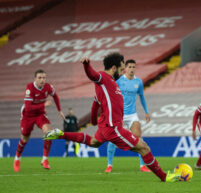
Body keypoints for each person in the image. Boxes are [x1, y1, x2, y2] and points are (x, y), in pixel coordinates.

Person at [44, 53, 180, 182]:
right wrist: (86, 65)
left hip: (105, 125)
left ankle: (60, 134)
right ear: (114, 68)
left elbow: (95, 103)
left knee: (93, 142)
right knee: (143, 147)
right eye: (121, 70)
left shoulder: (110, 84)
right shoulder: (103, 78)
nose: (122, 73)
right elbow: (93, 75)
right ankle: (164, 177)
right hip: (113, 127)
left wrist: (93, 120)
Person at [14, 69, 65, 172]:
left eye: (44, 78)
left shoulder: (48, 87)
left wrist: (59, 110)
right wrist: (43, 105)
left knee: (49, 132)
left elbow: (55, 95)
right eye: (40, 78)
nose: (42, 80)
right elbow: (28, 108)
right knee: (24, 139)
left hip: (40, 114)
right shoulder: (30, 88)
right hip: (27, 115)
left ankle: (45, 159)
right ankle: (17, 158)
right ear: (35, 79)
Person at [105, 59, 151, 173]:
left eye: (133, 67)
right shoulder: (119, 81)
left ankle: (142, 166)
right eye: (129, 67)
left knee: (138, 138)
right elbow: (111, 96)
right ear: (125, 68)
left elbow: (142, 97)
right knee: (112, 140)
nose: (131, 69)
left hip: (132, 115)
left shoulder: (138, 82)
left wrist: (146, 111)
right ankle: (109, 165)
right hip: (119, 115)